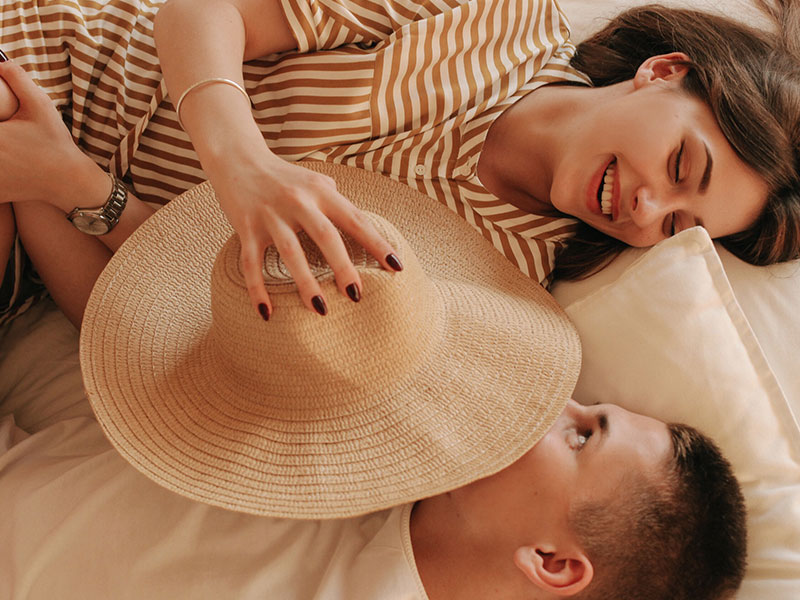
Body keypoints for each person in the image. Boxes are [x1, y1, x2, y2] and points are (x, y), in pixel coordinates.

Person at [0, 165, 747, 599]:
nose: (557, 405)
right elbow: (160, 326)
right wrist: (46, 173)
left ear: (552, 564)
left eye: (580, 435)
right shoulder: (362, 448)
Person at [0, 0, 798, 327]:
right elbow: (205, 10)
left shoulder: (498, 284)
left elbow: (173, 321)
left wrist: (64, 185)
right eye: (682, 164)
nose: (647, 206)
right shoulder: (493, 16)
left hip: (48, 232)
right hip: (63, 45)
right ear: (664, 70)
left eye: (678, 223)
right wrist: (240, 162)